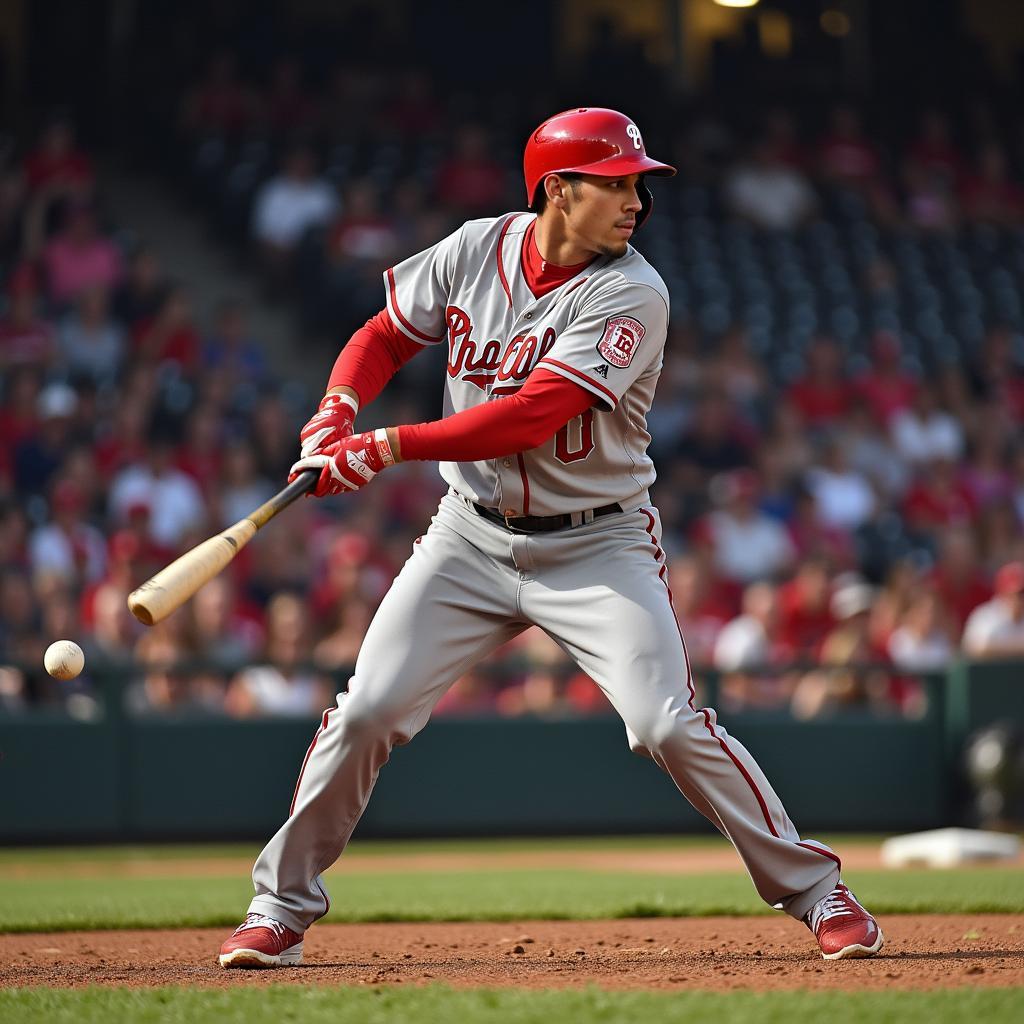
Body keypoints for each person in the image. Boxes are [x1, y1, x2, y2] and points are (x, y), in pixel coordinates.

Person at [219, 107, 881, 969]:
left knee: (667, 725)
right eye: (616, 183)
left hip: (598, 542)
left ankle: (819, 890)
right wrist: (339, 405)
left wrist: (385, 446)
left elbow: (533, 415)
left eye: (639, 183)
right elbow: (384, 335)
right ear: (557, 190)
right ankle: (279, 908)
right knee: (370, 709)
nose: (636, 199)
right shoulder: (474, 247)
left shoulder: (635, 290)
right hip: (469, 536)